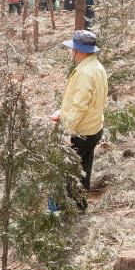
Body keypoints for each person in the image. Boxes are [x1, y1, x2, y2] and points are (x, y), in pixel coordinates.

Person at [51, 30, 109, 210]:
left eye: (73, 49)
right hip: (93, 127)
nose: (71, 53)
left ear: (79, 51)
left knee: (67, 172)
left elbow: (80, 106)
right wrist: (62, 111)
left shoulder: (85, 72)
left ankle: (61, 211)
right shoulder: (95, 67)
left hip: (81, 131)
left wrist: (66, 132)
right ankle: (80, 205)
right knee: (83, 170)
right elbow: (84, 101)